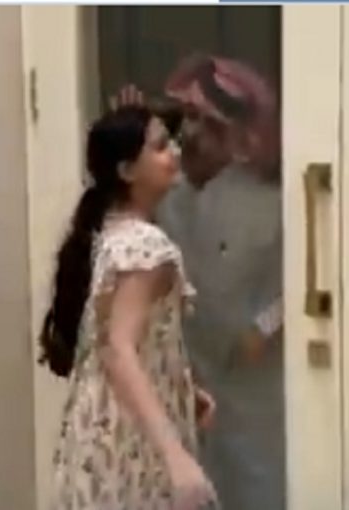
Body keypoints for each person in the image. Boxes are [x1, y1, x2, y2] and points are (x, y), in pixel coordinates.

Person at [112, 54, 285, 510]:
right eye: (184, 119)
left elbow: (308, 281)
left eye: (203, 122)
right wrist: (127, 139)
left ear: (239, 137)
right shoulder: (171, 198)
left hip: (258, 389)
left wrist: (263, 328)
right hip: (195, 381)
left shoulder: (272, 203)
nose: (188, 134)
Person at [39, 105, 219, 510]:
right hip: (128, 452)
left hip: (95, 445)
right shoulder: (144, 246)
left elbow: (118, 337)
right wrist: (176, 458)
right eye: (160, 146)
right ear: (127, 170)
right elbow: (117, 350)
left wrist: (182, 388)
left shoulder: (109, 234)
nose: (175, 151)